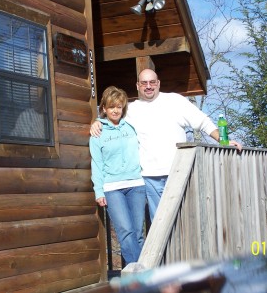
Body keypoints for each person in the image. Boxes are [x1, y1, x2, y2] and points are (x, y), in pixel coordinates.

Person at [91, 69, 242, 221]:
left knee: (185, 218)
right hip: (149, 178)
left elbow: (202, 122)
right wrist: (97, 123)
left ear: (158, 83)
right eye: (144, 83)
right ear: (137, 86)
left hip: (178, 172)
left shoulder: (175, 101)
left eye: (152, 82)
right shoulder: (131, 110)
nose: (148, 86)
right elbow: (112, 117)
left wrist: (224, 140)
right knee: (160, 222)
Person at [89, 86, 146, 265]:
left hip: (136, 185)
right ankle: (140, 275)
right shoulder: (98, 132)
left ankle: (137, 277)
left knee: (137, 233)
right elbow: (96, 163)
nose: (115, 110)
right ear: (104, 108)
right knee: (126, 232)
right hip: (112, 188)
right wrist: (99, 191)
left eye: (119, 107)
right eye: (111, 106)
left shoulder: (132, 126)